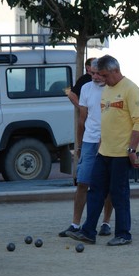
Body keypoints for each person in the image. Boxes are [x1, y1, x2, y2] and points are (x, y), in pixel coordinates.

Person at [67, 55, 139, 246]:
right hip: (104, 151)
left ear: (115, 70)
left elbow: (138, 123)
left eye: (104, 75)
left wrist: (131, 149)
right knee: (95, 191)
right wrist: (101, 144)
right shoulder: (107, 91)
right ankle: (88, 231)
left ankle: (123, 234)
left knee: (119, 193)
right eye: (99, 75)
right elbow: (107, 121)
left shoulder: (131, 89)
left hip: (121, 153)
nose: (101, 79)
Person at [58, 59, 114, 238]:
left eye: (99, 73)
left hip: (108, 141)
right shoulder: (86, 88)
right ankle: (75, 224)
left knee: (108, 184)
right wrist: (80, 145)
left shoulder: (113, 89)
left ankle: (105, 222)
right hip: (89, 141)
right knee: (82, 182)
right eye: (93, 73)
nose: (95, 77)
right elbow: (83, 118)